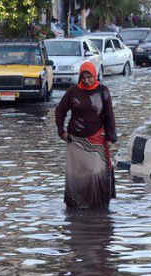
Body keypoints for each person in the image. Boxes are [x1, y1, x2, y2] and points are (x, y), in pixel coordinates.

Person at [55, 61, 117, 210]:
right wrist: (61, 131)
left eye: (90, 77)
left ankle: (98, 204)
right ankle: (77, 204)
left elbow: (109, 115)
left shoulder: (103, 91)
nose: (87, 80)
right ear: (80, 77)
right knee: (78, 173)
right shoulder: (73, 92)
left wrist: (110, 137)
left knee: (96, 171)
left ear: (95, 75)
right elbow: (60, 111)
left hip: (97, 138)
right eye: (84, 77)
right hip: (75, 140)